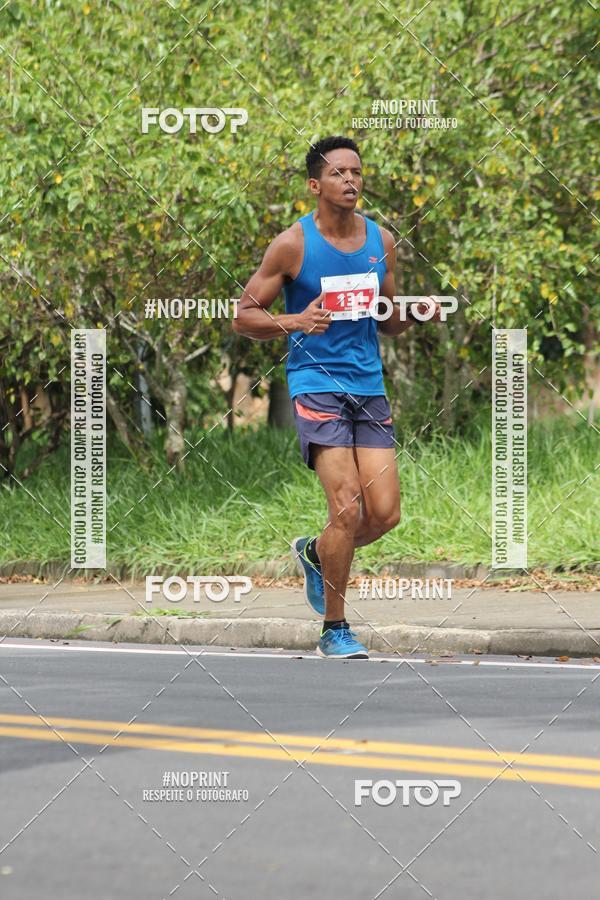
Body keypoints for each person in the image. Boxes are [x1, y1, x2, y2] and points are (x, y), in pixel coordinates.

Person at [233, 135, 441, 658]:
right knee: (346, 509)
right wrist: (295, 320)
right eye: (338, 173)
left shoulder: (382, 241)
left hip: (368, 386)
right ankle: (335, 628)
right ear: (315, 185)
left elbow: (389, 321)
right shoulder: (293, 245)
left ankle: (314, 554)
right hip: (316, 385)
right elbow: (243, 316)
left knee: (386, 513)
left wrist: (416, 313)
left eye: (356, 171)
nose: (350, 180)